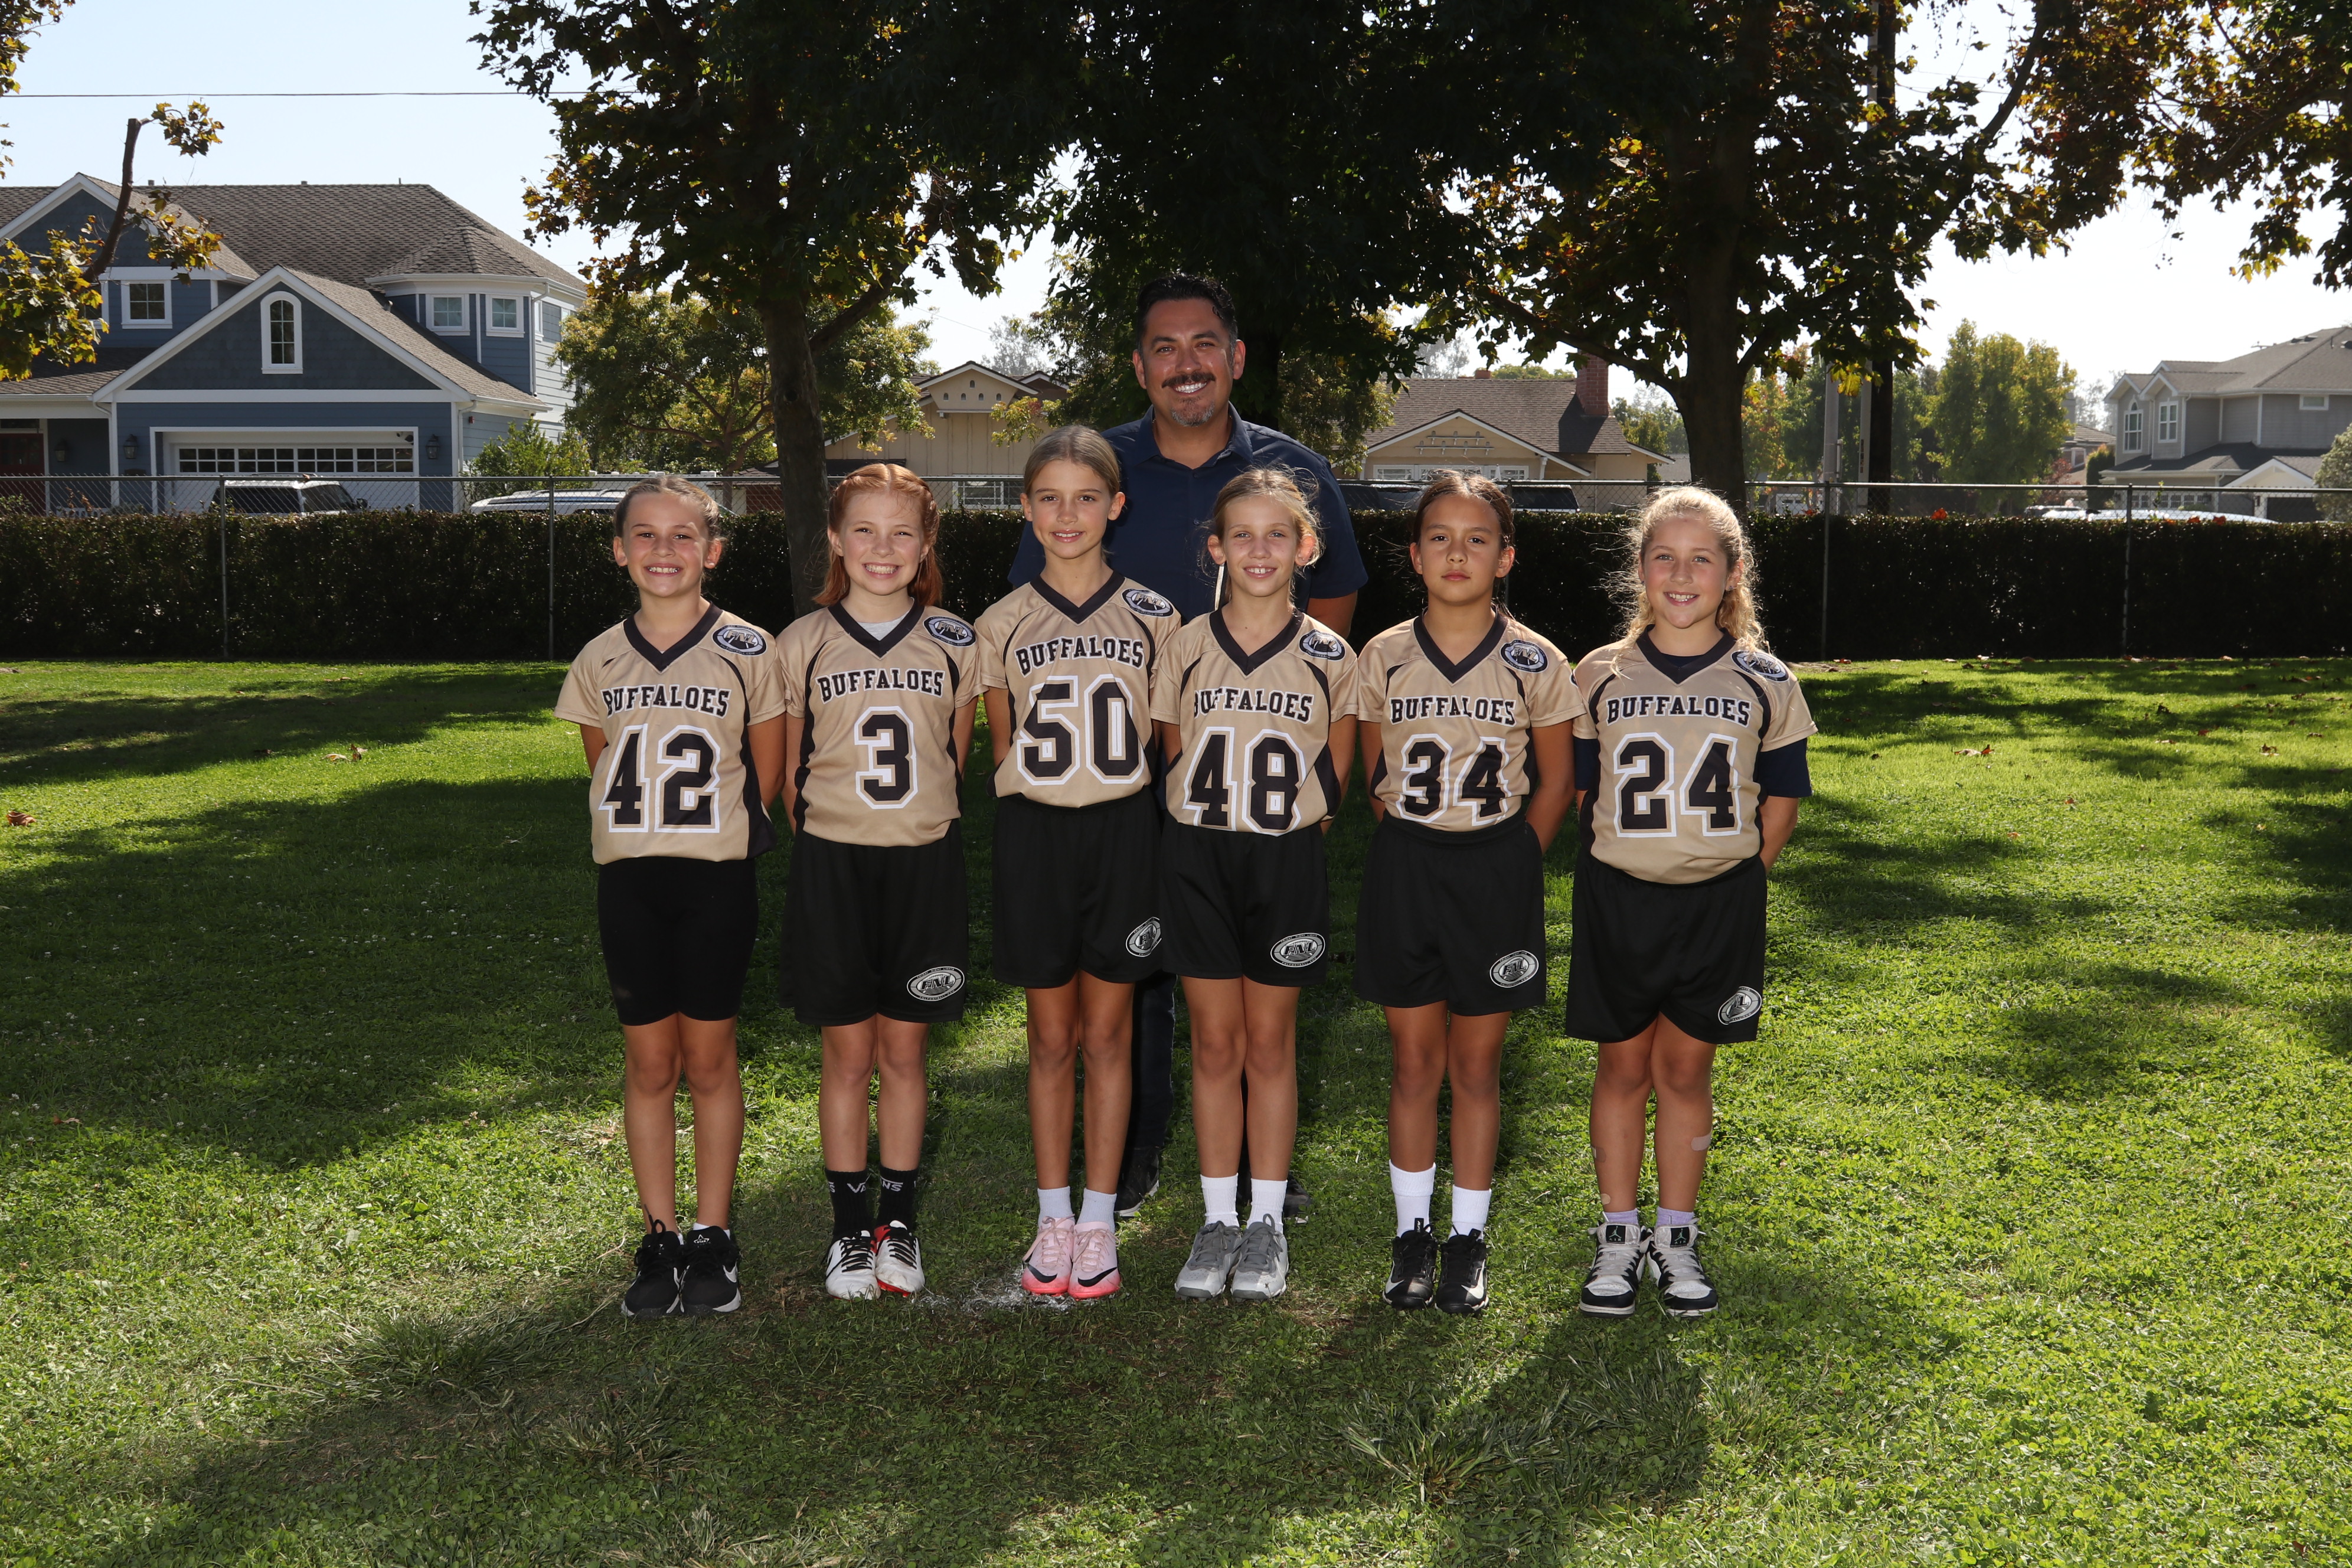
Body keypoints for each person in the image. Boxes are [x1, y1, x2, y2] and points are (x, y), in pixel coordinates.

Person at [1008, 273, 1370, 1223]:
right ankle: (1134, 1150)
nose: (1186, 364)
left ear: (1236, 357)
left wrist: (1299, 747)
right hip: (1124, 765)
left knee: (1250, 975)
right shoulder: (1098, 467)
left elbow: (1333, 612)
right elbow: (1028, 614)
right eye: (1164, 348)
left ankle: (1260, 1166)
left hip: (1252, 770)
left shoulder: (1295, 470)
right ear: (1139, 366)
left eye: (1204, 343)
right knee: (1142, 972)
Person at [1564, 486, 1814, 1321]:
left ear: (1732, 573)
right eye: (1664, 557)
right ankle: (1617, 1232)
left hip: (1718, 905)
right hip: (1619, 899)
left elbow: (1781, 801)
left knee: (1684, 1069)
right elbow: (1585, 791)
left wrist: (1733, 876)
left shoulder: (1766, 680)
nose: (1681, 574)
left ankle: (1675, 1233)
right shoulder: (1597, 672)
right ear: (1640, 570)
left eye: (1701, 558)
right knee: (1621, 1066)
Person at [554, 475, 785, 1319]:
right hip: (631, 879)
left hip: (716, 877)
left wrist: (719, 835)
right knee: (650, 1064)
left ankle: (713, 1233)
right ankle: (659, 1235)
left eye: (683, 535)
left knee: (711, 1060)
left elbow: (767, 772)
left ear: (712, 551)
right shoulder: (599, 657)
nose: (664, 550)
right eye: (645, 535)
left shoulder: (750, 648)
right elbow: (602, 763)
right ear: (619, 551)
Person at [1353, 471, 1579, 1315]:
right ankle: (1413, 1235)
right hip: (1408, 868)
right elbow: (1375, 778)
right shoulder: (1382, 655)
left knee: (1477, 1065)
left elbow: (1557, 783)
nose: (1458, 553)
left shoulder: (1537, 660)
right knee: (1414, 1061)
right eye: (1440, 538)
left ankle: (1469, 1238)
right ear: (1415, 555)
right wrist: (1420, 848)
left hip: (1496, 871)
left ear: (1505, 557)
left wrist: (1513, 860)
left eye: (1477, 539)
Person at [975, 426, 1178, 1301]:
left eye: (1087, 497)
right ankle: (1052, 1213)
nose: (1069, 514)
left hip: (1126, 834)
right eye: (1050, 498)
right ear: (1026, 509)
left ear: (1115, 506)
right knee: (1050, 1036)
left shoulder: (1158, 618)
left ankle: (1100, 1217)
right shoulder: (1000, 623)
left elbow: (1167, 745)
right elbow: (1003, 747)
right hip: (1037, 836)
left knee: (1110, 1034)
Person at [773, 463, 980, 1301]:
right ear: (835, 539)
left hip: (923, 863)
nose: (882, 548)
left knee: (905, 1049)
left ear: (926, 544)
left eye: (902, 532)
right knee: (847, 1052)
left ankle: (898, 1222)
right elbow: (791, 774)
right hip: (835, 863)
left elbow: (954, 758)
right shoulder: (802, 642)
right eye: (864, 529)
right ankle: (849, 1229)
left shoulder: (956, 640)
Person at [1152, 469, 1357, 1304]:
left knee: (1270, 1044)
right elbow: (1171, 750)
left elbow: (1336, 770)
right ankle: (1216, 1219)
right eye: (1243, 534)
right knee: (1213, 1043)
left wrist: (1296, 834)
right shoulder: (1184, 645)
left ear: (1306, 548)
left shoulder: (1331, 655)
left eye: (1279, 534)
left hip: (1284, 860)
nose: (1260, 549)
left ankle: (1266, 1220)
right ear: (1217, 549)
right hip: (1198, 856)